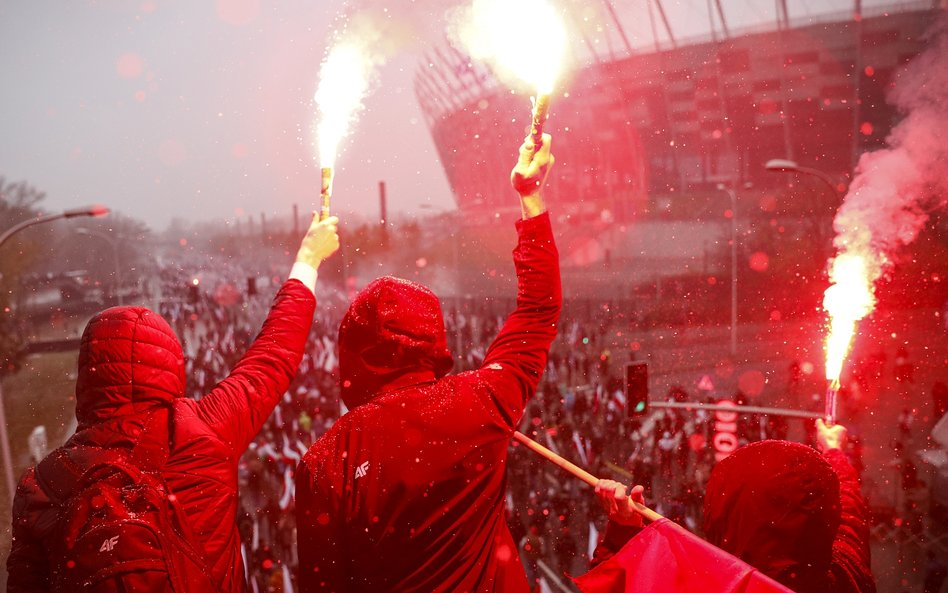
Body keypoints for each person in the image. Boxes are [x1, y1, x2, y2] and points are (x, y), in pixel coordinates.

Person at [7, 213, 340, 593]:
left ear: (88, 375)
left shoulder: (43, 485)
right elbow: (274, 354)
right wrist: (308, 259)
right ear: (170, 362)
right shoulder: (202, 432)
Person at [295, 133, 561, 593]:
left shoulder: (326, 461)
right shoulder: (480, 402)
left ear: (352, 353)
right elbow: (538, 310)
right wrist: (530, 198)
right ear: (433, 341)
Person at [592, 419, 876, 593]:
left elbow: (623, 586)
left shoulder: (707, 585)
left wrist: (622, 535)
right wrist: (834, 453)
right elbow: (851, 511)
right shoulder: (845, 577)